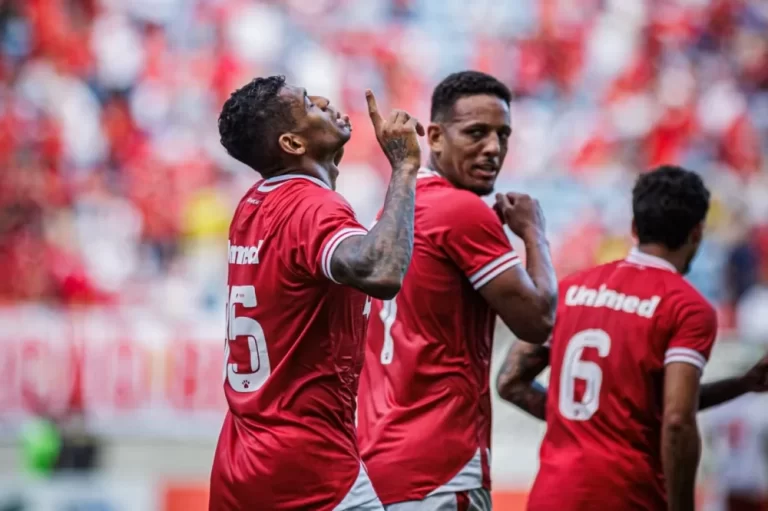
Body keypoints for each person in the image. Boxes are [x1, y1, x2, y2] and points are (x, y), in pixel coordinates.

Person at [495, 165, 768, 511]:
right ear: (697, 232)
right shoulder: (686, 307)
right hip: (627, 497)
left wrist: (741, 384)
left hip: (552, 496)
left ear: (634, 228)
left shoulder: (571, 290)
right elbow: (676, 419)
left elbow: (510, 383)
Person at [209, 75, 425, 511]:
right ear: (292, 143)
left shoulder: (252, 204)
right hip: (308, 465)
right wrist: (404, 168)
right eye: (308, 103)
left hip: (240, 457)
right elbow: (380, 271)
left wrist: (327, 164)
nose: (325, 101)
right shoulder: (311, 206)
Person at [357, 70, 558, 511]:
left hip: (378, 466)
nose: (493, 148)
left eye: (503, 135)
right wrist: (534, 233)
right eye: (476, 133)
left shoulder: (396, 208)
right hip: (440, 469)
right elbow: (538, 320)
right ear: (434, 137)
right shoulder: (461, 211)